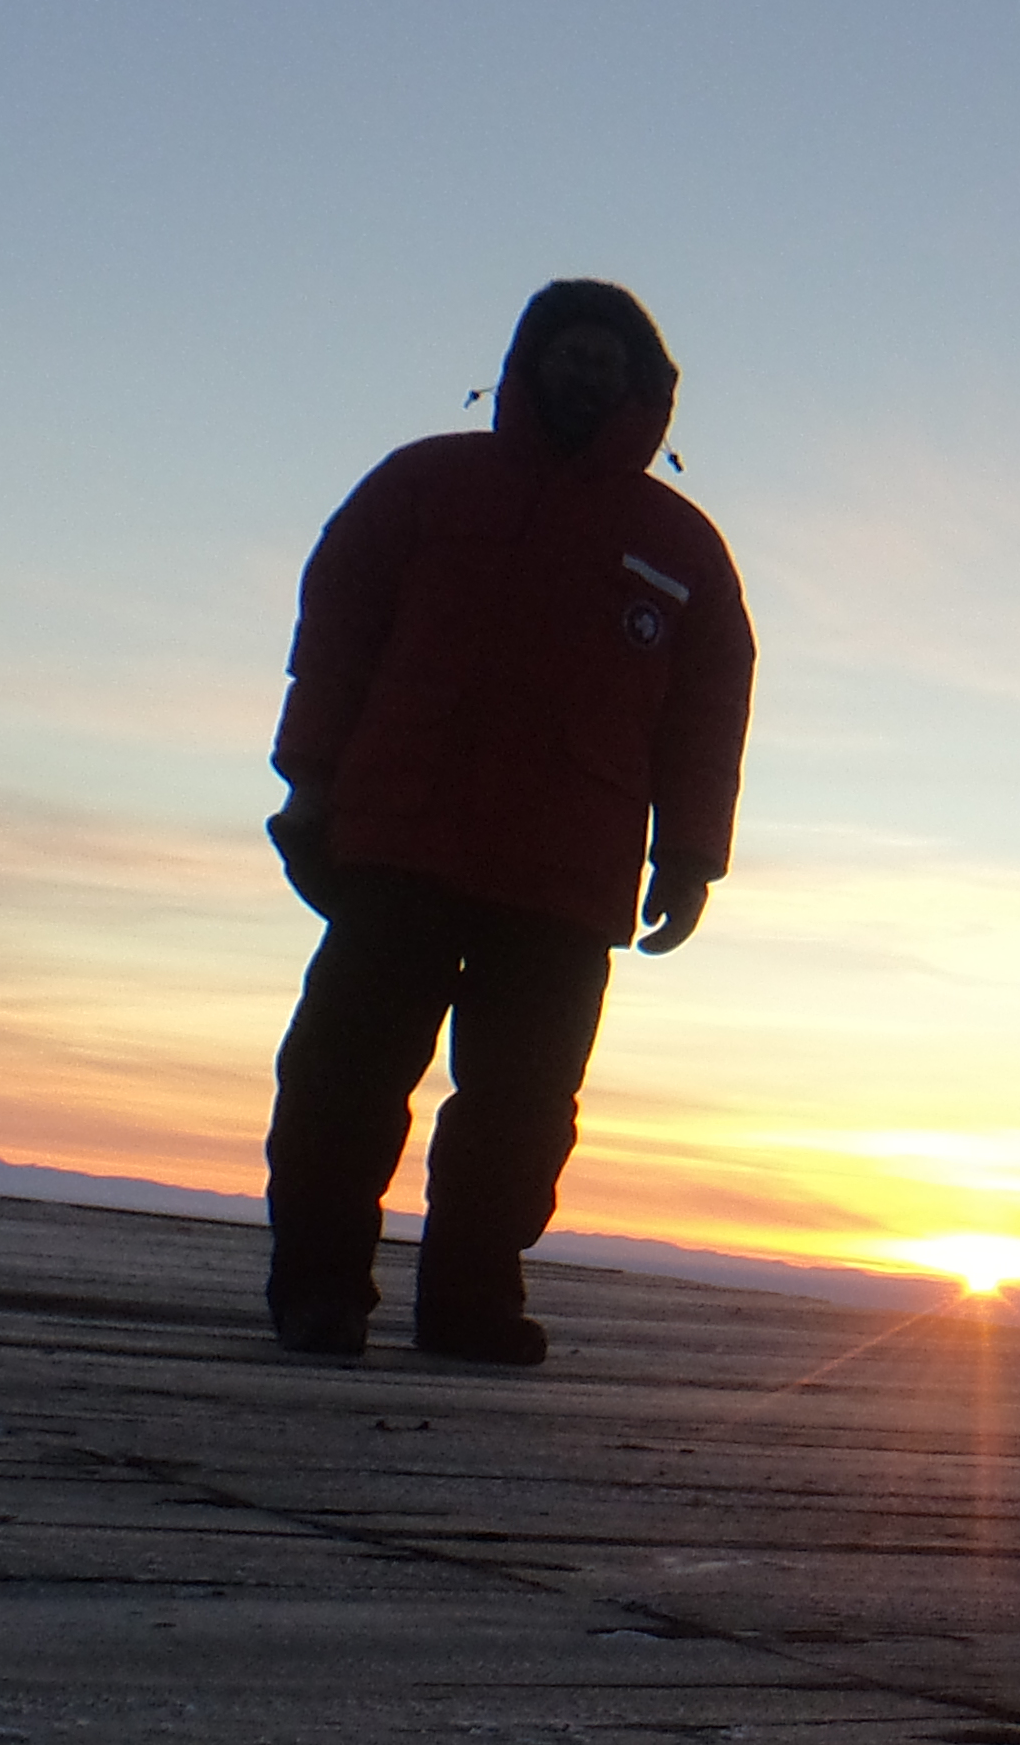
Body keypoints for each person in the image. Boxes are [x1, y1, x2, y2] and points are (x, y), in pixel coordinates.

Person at [255, 277, 754, 1364]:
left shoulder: (682, 548)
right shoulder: (423, 485)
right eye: (569, 351)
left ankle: (472, 1304)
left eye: (608, 359)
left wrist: (691, 856)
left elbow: (711, 708)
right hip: (400, 843)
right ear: (531, 361)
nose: (587, 371)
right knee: (341, 1078)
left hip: (568, 877)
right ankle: (320, 1292)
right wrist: (310, 780)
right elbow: (334, 632)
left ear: (643, 385)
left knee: (522, 1112)